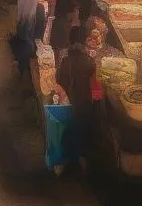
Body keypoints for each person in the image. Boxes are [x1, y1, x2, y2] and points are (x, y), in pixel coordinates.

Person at [56, 26, 96, 174]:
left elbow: (59, 81)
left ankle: (69, 162)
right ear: (84, 42)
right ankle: (81, 162)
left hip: (67, 106)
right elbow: (96, 91)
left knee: (70, 134)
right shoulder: (90, 63)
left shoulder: (65, 60)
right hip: (83, 109)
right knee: (82, 134)